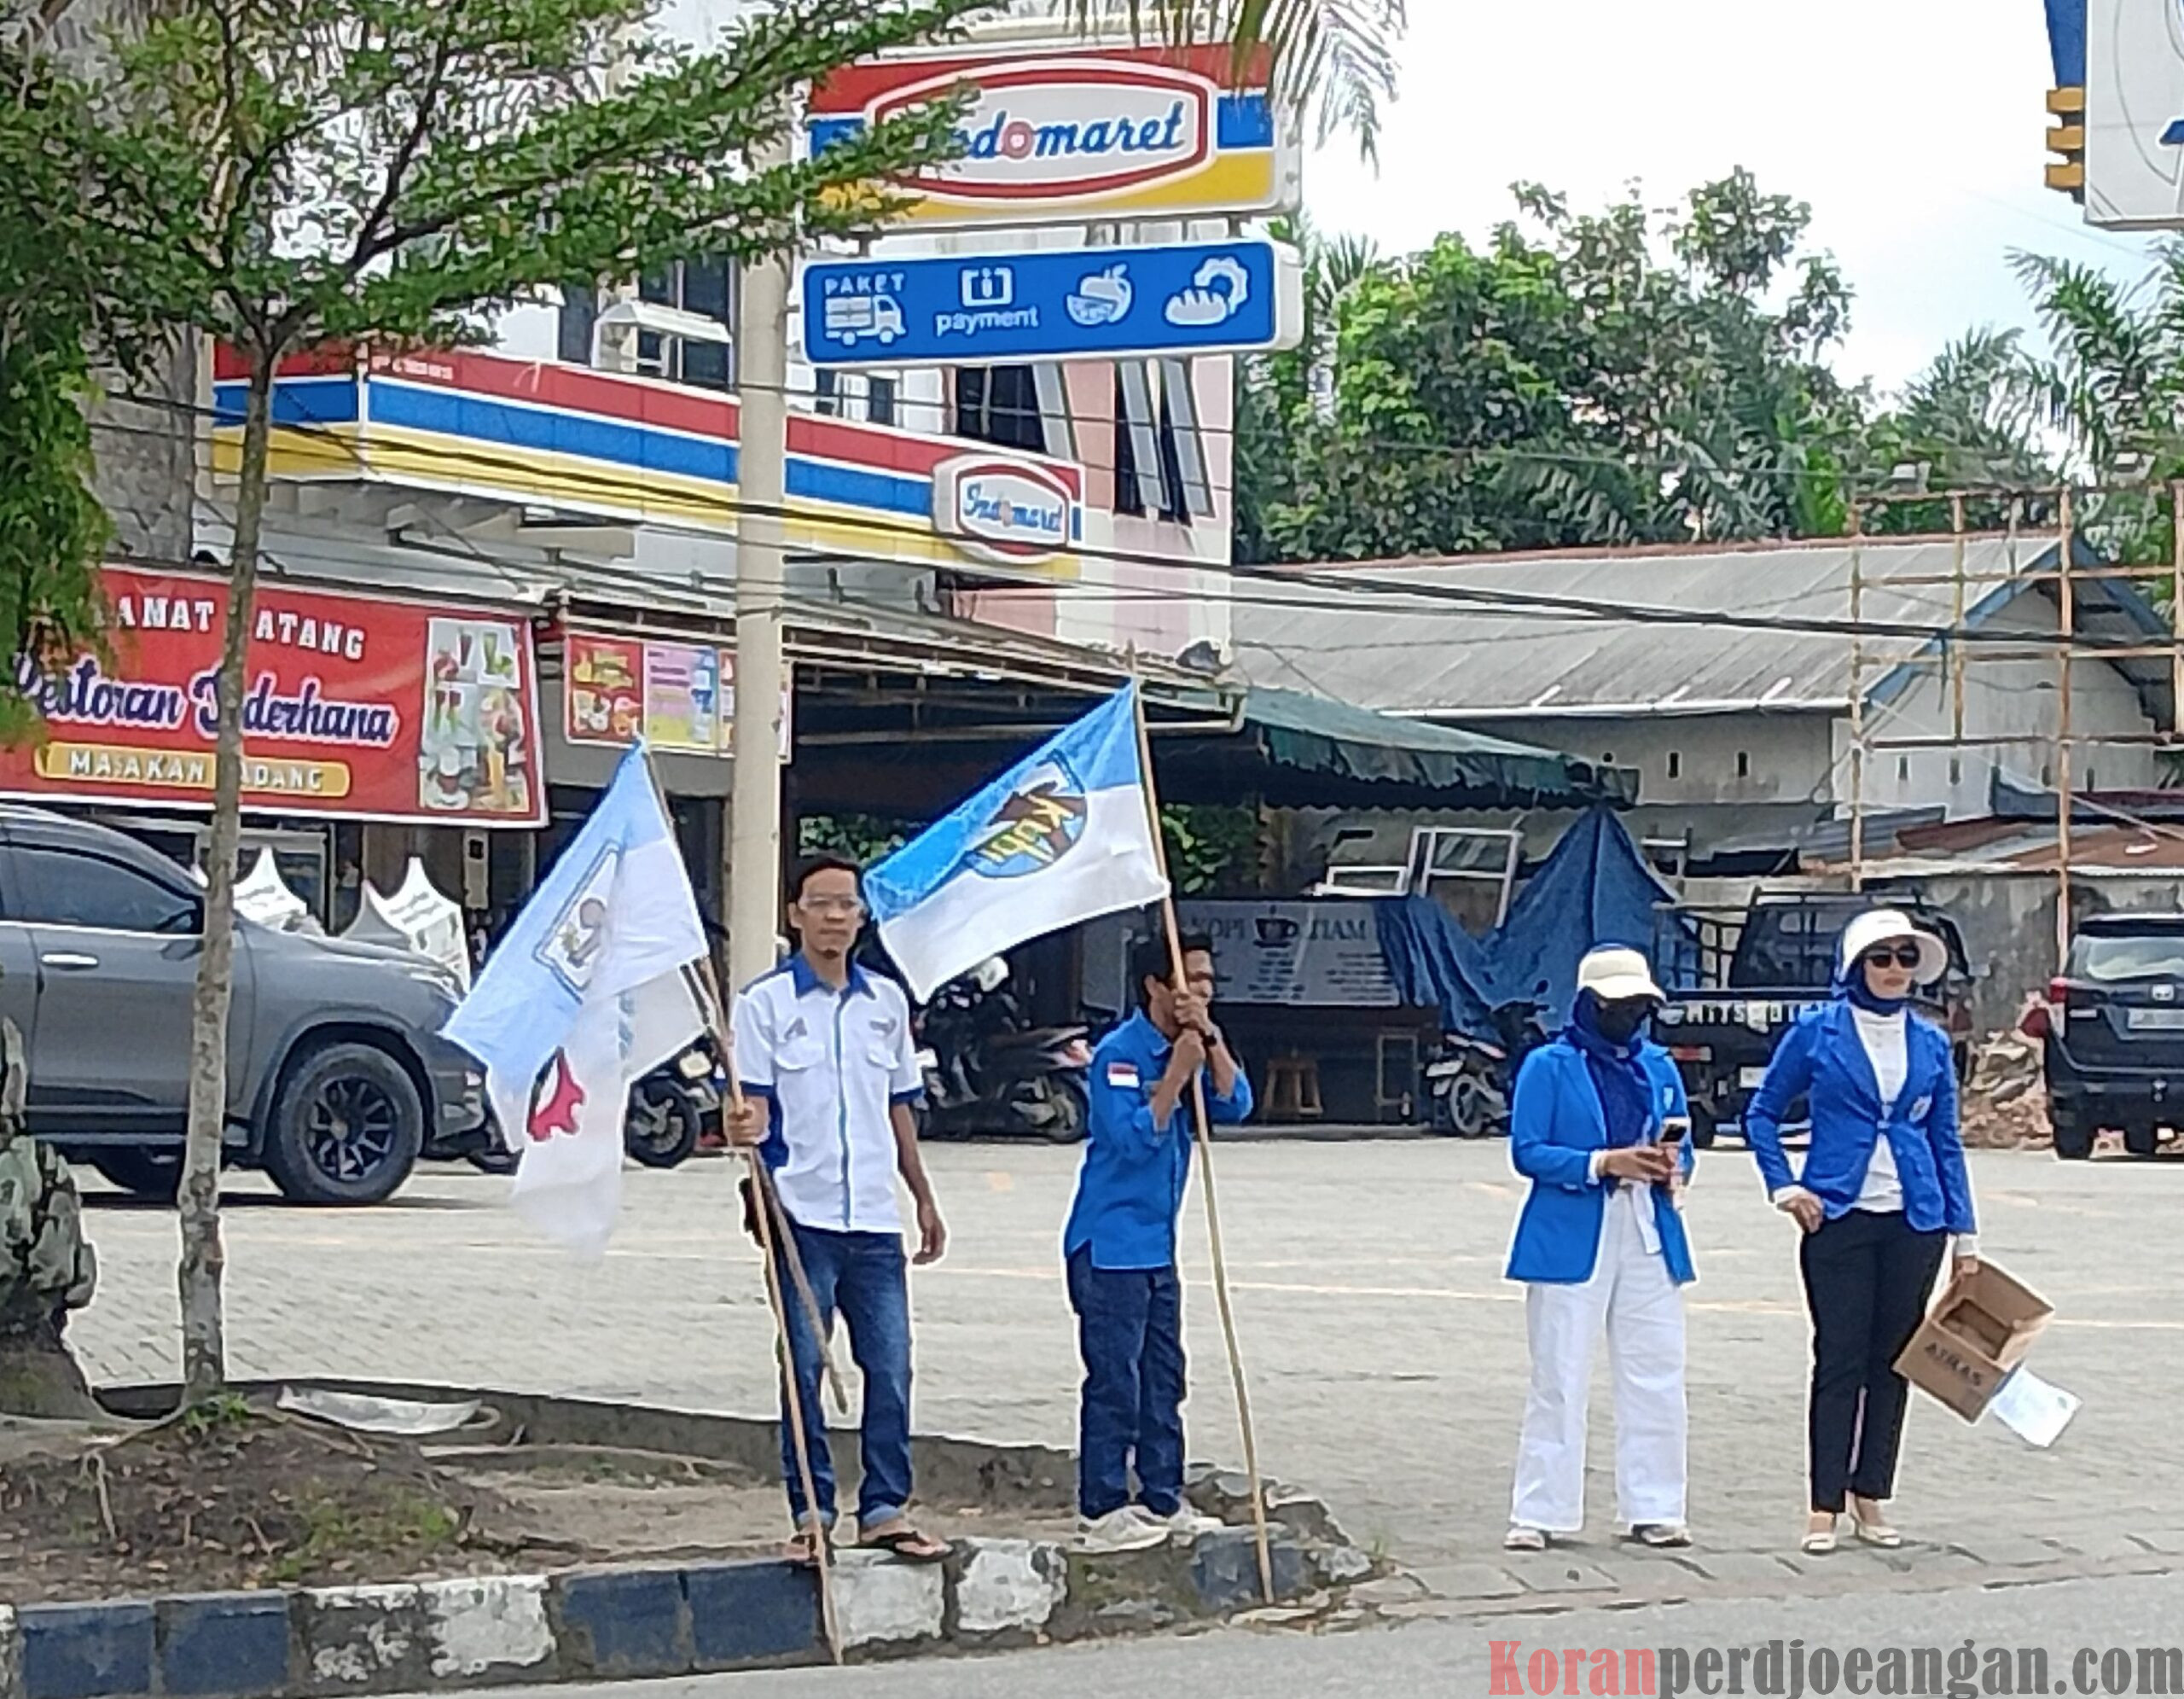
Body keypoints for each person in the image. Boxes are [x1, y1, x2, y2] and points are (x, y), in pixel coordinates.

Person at [725, 853, 951, 1566]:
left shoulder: (885, 1003)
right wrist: (740, 1129)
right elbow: (754, 1107)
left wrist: (922, 1194)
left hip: (875, 1219)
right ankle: (813, 1511)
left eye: (846, 904)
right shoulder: (765, 1005)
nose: (834, 916)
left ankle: (884, 1505)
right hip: (802, 1215)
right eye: (820, 903)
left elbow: (899, 1107)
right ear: (795, 913)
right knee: (803, 1364)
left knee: (891, 1365)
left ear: (861, 916)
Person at [1744, 908, 1978, 1556]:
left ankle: (1871, 1491)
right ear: (1854, 965)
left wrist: (1967, 1234)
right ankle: (1824, 1500)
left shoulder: (1929, 1040)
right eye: (1882, 957)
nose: (1896, 969)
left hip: (1915, 1218)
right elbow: (1761, 1113)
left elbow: (1946, 1139)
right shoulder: (1817, 1031)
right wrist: (1784, 1184)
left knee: (1894, 1360)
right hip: (1838, 1213)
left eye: (1906, 957)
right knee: (1839, 1357)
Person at [1063, 929, 1252, 1553]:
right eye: (1187, 981)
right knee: (1115, 1377)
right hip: (1109, 1243)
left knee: (1164, 1375)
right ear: (1154, 986)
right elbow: (1131, 1138)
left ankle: (1163, 1494)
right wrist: (1173, 1076)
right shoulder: (1119, 1054)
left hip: (1157, 1247)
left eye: (1206, 982)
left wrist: (1212, 1041)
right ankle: (1102, 1504)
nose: (1199, 992)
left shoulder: (1197, 1045)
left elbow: (1237, 1103)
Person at [1504, 946, 1697, 1553]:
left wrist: (1670, 1163)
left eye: (1640, 1004)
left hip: (1646, 1225)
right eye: (1618, 1004)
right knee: (1559, 1370)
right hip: (1573, 1228)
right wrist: (1600, 1162)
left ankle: (1657, 1504)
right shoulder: (1549, 1065)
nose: (1631, 1015)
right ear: (1589, 1004)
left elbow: (1685, 1142)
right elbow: (1528, 1150)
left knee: (1657, 1366)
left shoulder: (1659, 1066)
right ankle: (1540, 1508)